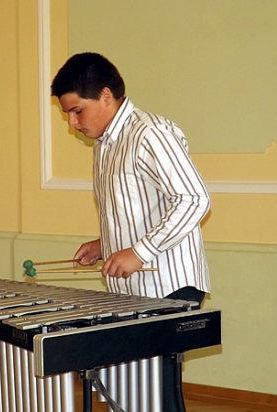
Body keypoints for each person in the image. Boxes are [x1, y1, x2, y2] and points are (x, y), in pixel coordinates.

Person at [51, 52, 211, 412]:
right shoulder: (105, 144)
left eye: (77, 111)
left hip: (168, 283)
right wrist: (104, 243)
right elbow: (138, 209)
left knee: (158, 394)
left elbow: (194, 200)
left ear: (106, 96)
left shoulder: (149, 133)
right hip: (133, 289)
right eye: (68, 114)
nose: (72, 123)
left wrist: (139, 252)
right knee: (136, 393)